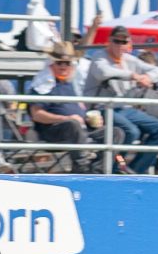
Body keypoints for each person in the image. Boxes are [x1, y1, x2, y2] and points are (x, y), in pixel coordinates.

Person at [83, 26, 158, 173]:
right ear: (109, 41)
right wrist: (133, 75)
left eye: (123, 42)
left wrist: (147, 77)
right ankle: (112, 169)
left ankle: (134, 171)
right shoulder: (99, 57)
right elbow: (103, 72)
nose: (119, 45)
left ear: (128, 43)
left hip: (123, 108)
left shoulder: (129, 59)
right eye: (116, 41)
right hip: (101, 108)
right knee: (131, 131)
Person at [29, 41, 124, 173]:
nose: (63, 66)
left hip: (80, 129)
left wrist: (89, 119)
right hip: (53, 131)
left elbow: (78, 110)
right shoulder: (42, 85)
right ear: (52, 63)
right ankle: (81, 168)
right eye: (59, 63)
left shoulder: (70, 83)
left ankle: (98, 170)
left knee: (116, 132)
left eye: (67, 63)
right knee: (73, 125)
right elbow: (37, 115)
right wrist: (66, 118)